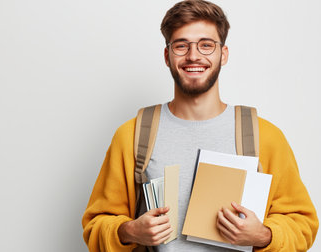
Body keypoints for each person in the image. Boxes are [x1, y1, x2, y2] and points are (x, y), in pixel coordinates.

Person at [82, 0, 319, 251]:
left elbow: (303, 223)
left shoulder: (266, 137)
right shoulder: (132, 135)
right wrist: (129, 231)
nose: (193, 56)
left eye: (206, 45)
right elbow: (96, 224)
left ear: (223, 54)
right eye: (181, 45)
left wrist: (264, 236)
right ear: (167, 55)